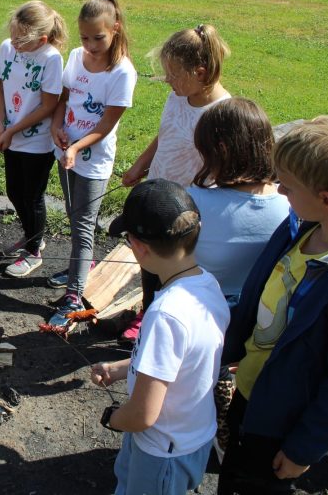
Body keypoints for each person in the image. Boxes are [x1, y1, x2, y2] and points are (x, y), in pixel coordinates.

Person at [217, 116, 328, 494]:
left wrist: (304, 448)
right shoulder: (299, 228)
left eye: (287, 187)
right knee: (233, 476)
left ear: (327, 199)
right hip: (250, 390)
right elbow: (259, 296)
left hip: (285, 421)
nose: (278, 191)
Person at [92, 179, 230, 495]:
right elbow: (184, 361)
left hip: (161, 450)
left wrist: (114, 419)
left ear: (138, 246)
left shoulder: (165, 313)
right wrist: (123, 368)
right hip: (189, 435)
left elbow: (142, 415)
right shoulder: (207, 286)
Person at [187, 97, 290, 458]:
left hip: (204, 318)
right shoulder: (289, 205)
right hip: (261, 322)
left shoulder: (194, 201)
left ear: (221, 150)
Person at [119, 24, 231, 343]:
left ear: (200, 71)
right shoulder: (179, 95)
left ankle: (164, 319)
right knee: (149, 260)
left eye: (173, 74)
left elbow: (218, 172)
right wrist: (141, 165)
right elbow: (166, 134)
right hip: (158, 189)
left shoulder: (220, 114)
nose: (167, 80)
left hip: (184, 206)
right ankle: (147, 307)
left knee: (173, 265)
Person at [46, 0, 137, 327]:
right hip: (66, 151)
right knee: (73, 216)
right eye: (85, 37)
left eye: (98, 37)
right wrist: (57, 127)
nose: (90, 44)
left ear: (115, 28)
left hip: (93, 160)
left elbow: (106, 125)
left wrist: (76, 148)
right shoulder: (75, 57)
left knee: (84, 226)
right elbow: (63, 98)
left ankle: (73, 295)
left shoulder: (122, 72)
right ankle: (79, 265)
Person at [0, 0, 66, 278]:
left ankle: (34, 251)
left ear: (42, 39)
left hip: (36, 141)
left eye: (20, 39)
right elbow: (1, 89)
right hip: (10, 134)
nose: (13, 43)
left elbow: (48, 105)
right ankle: (32, 235)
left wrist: (13, 130)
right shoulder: (6, 48)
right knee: (14, 191)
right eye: (12, 36)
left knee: (32, 196)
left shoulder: (51, 58)